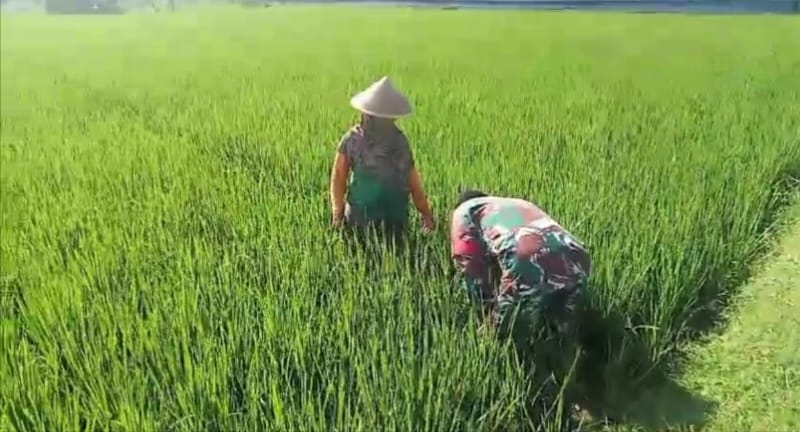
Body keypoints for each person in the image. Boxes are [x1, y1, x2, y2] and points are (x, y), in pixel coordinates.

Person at [450, 189, 592, 388]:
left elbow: (470, 264)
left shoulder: (463, 211)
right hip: (578, 257)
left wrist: (485, 311)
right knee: (561, 334)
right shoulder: (512, 203)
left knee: (501, 339)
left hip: (530, 261)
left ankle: (533, 390)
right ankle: (584, 385)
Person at [329, 76, 435, 246]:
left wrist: (338, 214)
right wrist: (427, 216)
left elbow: (338, 178)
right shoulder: (400, 142)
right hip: (396, 228)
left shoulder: (352, 139)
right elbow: (415, 186)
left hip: (359, 225)